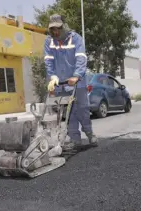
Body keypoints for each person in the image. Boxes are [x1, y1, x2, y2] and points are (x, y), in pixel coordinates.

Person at [44, 14, 98, 149]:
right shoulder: (49, 41)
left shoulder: (76, 38)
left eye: (58, 29)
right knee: (68, 113)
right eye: (53, 30)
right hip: (61, 85)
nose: (55, 32)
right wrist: (52, 77)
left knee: (82, 110)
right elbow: (48, 61)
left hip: (77, 83)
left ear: (64, 26)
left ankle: (90, 133)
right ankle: (75, 139)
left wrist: (76, 75)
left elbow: (81, 59)